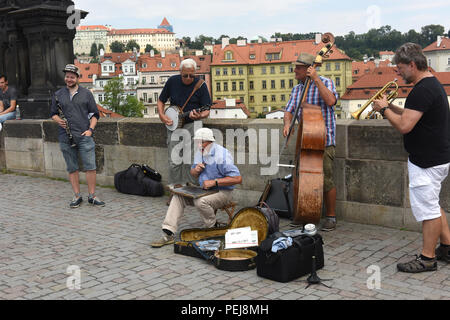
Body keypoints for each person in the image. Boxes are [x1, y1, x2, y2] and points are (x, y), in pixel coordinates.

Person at [372, 43, 450, 273]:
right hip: (435, 157)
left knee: (428, 210)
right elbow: (411, 115)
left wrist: (385, 111)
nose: (398, 73)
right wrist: (390, 106)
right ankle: (447, 246)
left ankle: (427, 258)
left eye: (400, 68)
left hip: (426, 161)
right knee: (433, 205)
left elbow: (405, 126)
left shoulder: (422, 90)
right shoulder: (431, 85)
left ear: (413, 65)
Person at [151, 127, 242, 248]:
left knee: (200, 202)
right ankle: (168, 233)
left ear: (210, 141)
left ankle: (213, 228)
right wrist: (196, 170)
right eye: (197, 142)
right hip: (203, 190)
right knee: (178, 196)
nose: (199, 145)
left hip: (223, 191)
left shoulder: (222, 155)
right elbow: (193, 173)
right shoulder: (201, 152)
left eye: (201, 142)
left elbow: (237, 178)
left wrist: (214, 182)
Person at [283, 53, 339, 231]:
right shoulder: (297, 89)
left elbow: (331, 101)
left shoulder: (326, 82)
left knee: (327, 180)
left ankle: (330, 217)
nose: (295, 70)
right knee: (303, 179)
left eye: (298, 67)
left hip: (324, 139)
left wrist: (316, 80)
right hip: (305, 140)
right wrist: (287, 124)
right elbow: (289, 110)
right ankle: (305, 213)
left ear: (309, 68)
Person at [50, 64, 105, 208]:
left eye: (72, 77)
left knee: (90, 167)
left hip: (83, 135)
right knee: (72, 167)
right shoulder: (58, 94)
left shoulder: (86, 93)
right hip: (65, 136)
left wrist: (90, 131)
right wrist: (58, 120)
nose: (69, 79)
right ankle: (76, 196)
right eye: (67, 76)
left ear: (77, 78)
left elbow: (95, 115)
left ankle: (92, 196)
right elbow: (53, 113)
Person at [157, 58, 211, 191]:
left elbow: (207, 110)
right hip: (174, 125)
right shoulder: (172, 81)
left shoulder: (201, 85)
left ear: (195, 73)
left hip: (193, 125)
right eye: (185, 75)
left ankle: (192, 188)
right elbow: (160, 100)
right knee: (174, 159)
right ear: (180, 72)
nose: (188, 78)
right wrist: (162, 115)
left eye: (191, 75)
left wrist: (199, 115)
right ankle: (175, 191)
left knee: (192, 159)